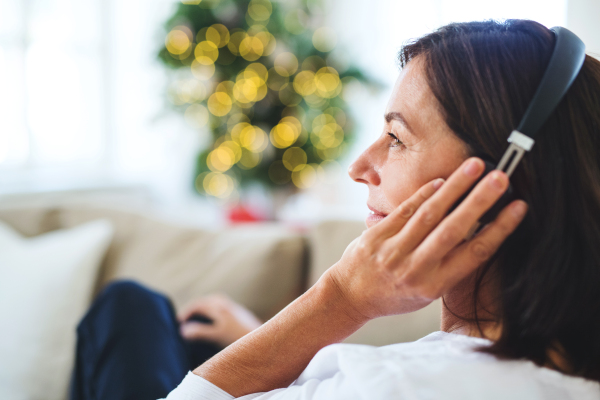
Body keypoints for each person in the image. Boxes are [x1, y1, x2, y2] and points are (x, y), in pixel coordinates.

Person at [72, 19, 600, 400]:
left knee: (127, 309)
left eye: (396, 137)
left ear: (501, 179)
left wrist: (339, 298)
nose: (360, 166)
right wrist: (270, 344)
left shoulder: (401, 384)